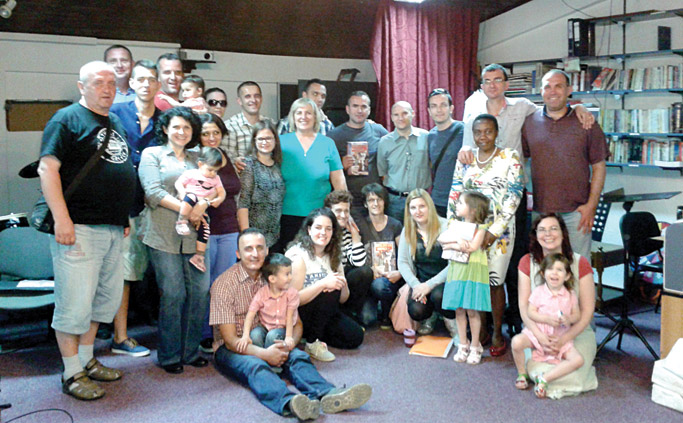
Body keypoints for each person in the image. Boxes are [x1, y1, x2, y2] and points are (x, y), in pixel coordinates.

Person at [459, 64, 595, 335]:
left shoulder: (523, 107)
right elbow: (467, 146)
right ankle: (484, 325)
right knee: (481, 263)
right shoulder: (472, 109)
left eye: (498, 80)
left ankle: (519, 319)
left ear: (506, 84)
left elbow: (555, 108)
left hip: (512, 197)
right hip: (482, 201)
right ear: (482, 85)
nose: (493, 85)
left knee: (514, 261)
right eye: (487, 81)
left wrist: (579, 107)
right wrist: (464, 149)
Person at [38, 61, 136, 400]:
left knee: (99, 303)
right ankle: (71, 373)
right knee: (73, 306)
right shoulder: (66, 119)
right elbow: (47, 169)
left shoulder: (116, 121)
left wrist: (122, 218)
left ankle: (86, 359)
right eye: (98, 82)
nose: (107, 88)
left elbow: (117, 170)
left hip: (111, 228)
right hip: (78, 227)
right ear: (81, 87)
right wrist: (62, 219)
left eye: (112, 82)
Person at [211, 228, 372, 419]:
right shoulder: (224, 284)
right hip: (235, 347)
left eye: (259, 248)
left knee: (298, 357)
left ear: (267, 251)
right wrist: (265, 354)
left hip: (273, 337)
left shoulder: (277, 279)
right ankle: (291, 404)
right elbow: (230, 340)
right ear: (238, 253)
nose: (255, 254)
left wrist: (289, 345)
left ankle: (329, 394)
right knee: (256, 367)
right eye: (248, 249)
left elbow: (297, 324)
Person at [138, 107, 210, 374]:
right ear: (166, 129)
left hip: (197, 236)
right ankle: (169, 355)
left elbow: (211, 187)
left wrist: (204, 203)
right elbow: (153, 193)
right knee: (174, 294)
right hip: (162, 234)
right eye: (177, 127)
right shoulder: (152, 154)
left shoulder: (199, 157)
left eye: (187, 128)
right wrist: (187, 208)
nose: (182, 132)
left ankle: (190, 352)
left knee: (199, 292)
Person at [449, 113, 523, 357]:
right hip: (468, 231)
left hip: (499, 233)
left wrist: (493, 231)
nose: (483, 136)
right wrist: (454, 227)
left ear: (497, 132)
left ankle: (497, 332)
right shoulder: (465, 159)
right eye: (478, 132)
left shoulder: (509, 157)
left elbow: (514, 195)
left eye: (488, 131)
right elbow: (455, 192)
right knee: (474, 280)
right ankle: (479, 330)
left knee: (494, 281)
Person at [522, 69, 607, 260]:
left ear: (569, 90)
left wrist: (591, 205)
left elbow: (599, 167)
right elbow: (520, 160)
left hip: (577, 212)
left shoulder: (586, 122)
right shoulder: (529, 122)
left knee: (579, 270)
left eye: (558, 86)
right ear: (541, 91)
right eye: (548, 87)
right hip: (541, 211)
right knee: (544, 270)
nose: (553, 91)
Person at [108, 59, 162, 358]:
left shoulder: (166, 121)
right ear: (132, 83)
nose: (145, 84)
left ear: (157, 85)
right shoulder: (115, 114)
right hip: (124, 206)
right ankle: (120, 337)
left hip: (158, 207)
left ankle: (169, 332)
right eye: (140, 79)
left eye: (151, 79)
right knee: (124, 272)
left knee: (161, 274)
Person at [517, 214, 598, 399]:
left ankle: (545, 379)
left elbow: (587, 312)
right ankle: (542, 376)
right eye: (542, 230)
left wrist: (564, 339)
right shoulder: (526, 262)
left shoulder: (580, 262)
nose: (548, 234)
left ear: (563, 234)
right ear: (536, 236)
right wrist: (539, 336)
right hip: (538, 331)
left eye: (554, 229)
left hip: (575, 332)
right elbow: (523, 306)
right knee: (539, 367)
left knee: (575, 372)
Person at [285, 208, 364, 362]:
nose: (323, 233)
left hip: (326, 311)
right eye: (318, 228)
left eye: (328, 229)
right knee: (329, 289)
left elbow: (342, 299)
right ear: (309, 230)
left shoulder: (333, 255)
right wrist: (322, 284)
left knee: (356, 337)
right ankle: (312, 342)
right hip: (299, 313)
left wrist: (343, 283)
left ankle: (313, 334)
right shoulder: (298, 256)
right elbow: (291, 301)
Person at [196, 113, 242, 352]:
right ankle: (204, 333)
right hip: (205, 230)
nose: (212, 138)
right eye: (206, 133)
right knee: (204, 285)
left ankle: (221, 332)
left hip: (229, 228)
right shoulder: (195, 158)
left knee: (223, 286)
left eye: (216, 132)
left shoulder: (226, 157)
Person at [278, 97, 346, 250]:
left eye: (308, 113)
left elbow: (339, 182)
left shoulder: (327, 143)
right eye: (299, 113)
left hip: (320, 216)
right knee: (291, 261)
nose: (303, 117)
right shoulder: (280, 142)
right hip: (287, 215)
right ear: (292, 117)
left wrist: (343, 212)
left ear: (315, 117)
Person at [512, 253, 583, 398]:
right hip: (539, 333)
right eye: (550, 269)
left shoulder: (570, 294)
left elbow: (577, 315)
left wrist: (569, 319)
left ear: (567, 276)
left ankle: (544, 379)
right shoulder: (539, 292)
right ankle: (521, 373)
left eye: (559, 270)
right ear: (543, 274)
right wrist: (546, 319)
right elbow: (531, 313)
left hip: (560, 337)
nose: (555, 273)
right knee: (516, 342)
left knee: (578, 360)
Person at [440, 191, 491, 365]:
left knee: (472, 310)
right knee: (459, 309)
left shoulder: (481, 229)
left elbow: (472, 246)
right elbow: (442, 241)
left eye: (461, 203)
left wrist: (457, 244)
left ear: (474, 210)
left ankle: (476, 345)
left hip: (473, 271)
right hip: (458, 269)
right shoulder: (455, 225)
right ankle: (463, 343)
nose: (457, 205)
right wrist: (456, 243)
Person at [397, 189, 452, 335]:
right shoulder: (407, 231)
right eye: (413, 208)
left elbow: (454, 264)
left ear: (430, 207)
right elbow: (402, 263)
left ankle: (450, 319)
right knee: (416, 310)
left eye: (422, 206)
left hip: (445, 280)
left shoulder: (446, 226)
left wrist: (429, 285)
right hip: (421, 281)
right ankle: (431, 315)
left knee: (438, 296)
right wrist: (416, 286)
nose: (418, 211)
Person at [327, 91, 389, 222]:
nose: (359, 110)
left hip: (375, 199)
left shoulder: (379, 131)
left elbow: (393, 154)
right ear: (347, 109)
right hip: (348, 201)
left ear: (369, 110)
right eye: (355, 106)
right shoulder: (334, 136)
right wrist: (340, 166)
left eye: (364, 106)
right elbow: (323, 171)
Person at [324, 190, 374, 326]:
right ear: (329, 211)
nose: (343, 215)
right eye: (338, 210)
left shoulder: (346, 232)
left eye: (346, 211)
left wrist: (355, 237)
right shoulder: (323, 232)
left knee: (364, 272)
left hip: (344, 279)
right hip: (326, 280)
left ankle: (349, 311)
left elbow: (359, 262)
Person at [357, 183, 403, 329]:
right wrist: (370, 270)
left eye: (379, 199)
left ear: (385, 201)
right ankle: (372, 305)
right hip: (369, 276)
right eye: (371, 200)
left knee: (380, 286)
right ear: (365, 204)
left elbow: (404, 254)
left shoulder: (395, 225)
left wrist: (400, 272)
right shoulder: (361, 225)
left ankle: (387, 310)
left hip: (390, 278)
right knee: (367, 320)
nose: (375, 203)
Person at [174, 146, 227, 272]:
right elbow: (178, 183)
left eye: (216, 171)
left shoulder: (216, 179)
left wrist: (219, 199)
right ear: (200, 164)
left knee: (205, 228)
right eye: (210, 170)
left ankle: (199, 256)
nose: (213, 174)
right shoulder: (192, 173)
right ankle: (181, 221)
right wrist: (182, 192)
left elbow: (221, 192)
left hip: (203, 205)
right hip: (190, 199)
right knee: (190, 197)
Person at [377, 101, 430, 221]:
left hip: (422, 199)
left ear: (413, 114)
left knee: (422, 237)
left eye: (404, 113)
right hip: (395, 200)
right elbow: (383, 173)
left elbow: (431, 164)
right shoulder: (384, 142)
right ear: (391, 117)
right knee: (397, 236)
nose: (400, 118)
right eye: (396, 115)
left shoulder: (426, 137)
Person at [237, 120, 285, 249]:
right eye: (261, 139)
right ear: (254, 141)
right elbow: (243, 203)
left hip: (275, 236)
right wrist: (246, 236)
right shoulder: (248, 165)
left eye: (269, 138)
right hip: (254, 237)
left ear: (275, 140)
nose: (265, 142)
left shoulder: (277, 165)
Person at [238, 254, 299, 354]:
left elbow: (290, 317)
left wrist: (288, 337)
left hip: (282, 329)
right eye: (287, 274)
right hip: (266, 327)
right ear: (272, 279)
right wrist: (245, 336)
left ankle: (273, 362)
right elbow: (250, 314)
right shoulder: (262, 293)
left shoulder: (292, 294)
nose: (290, 277)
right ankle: (262, 357)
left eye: (290, 273)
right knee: (255, 334)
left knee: (272, 336)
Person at [426, 88, 464, 217]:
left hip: (462, 199)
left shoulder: (464, 130)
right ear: (429, 111)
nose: (439, 110)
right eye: (434, 106)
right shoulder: (430, 135)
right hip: (438, 200)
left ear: (451, 108)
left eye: (443, 105)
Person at [223, 81, 273, 171]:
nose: (253, 100)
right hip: (243, 181)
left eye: (257, 96)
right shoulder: (230, 126)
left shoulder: (270, 124)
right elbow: (228, 161)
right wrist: (235, 162)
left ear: (261, 99)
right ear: (239, 101)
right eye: (247, 96)